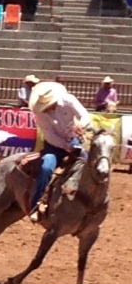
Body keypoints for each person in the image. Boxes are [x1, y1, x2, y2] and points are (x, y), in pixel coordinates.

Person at [28, 81, 91, 222]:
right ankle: (36, 206)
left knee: (89, 167)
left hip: (73, 140)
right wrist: (67, 147)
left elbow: (85, 115)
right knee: (46, 168)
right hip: (54, 146)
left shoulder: (69, 100)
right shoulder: (41, 115)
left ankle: (90, 202)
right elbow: (50, 136)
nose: (46, 109)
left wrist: (81, 124)